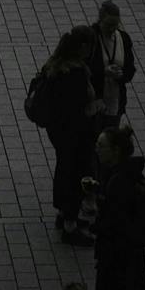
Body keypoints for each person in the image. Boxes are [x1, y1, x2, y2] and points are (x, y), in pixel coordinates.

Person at [30, 27, 97, 244]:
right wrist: (94, 109)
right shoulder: (75, 74)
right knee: (76, 174)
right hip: (74, 134)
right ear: (83, 47)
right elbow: (78, 109)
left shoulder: (55, 65)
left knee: (64, 169)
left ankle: (63, 214)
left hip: (58, 131)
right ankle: (70, 224)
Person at [88, 125, 145, 290]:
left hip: (117, 260)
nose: (96, 149)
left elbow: (115, 222)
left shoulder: (118, 182)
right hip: (130, 257)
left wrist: (96, 227)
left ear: (115, 151)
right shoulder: (128, 172)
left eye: (101, 146)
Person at [87, 1, 136, 125]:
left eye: (115, 25)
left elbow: (130, 69)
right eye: (108, 25)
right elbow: (83, 68)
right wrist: (103, 72)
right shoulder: (90, 38)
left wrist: (121, 74)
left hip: (115, 102)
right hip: (93, 102)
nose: (111, 29)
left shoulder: (123, 39)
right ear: (100, 21)